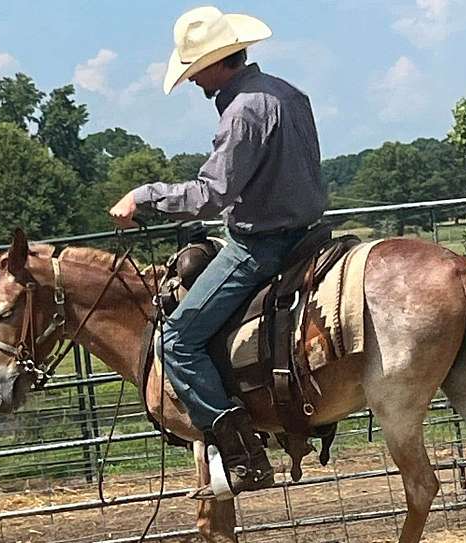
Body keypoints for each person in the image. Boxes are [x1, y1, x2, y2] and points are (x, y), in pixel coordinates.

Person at [110, 6, 327, 498]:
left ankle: (243, 456)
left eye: (194, 70)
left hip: (261, 246)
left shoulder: (242, 112)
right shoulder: (289, 94)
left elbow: (211, 194)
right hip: (311, 235)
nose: (191, 81)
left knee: (178, 341)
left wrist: (145, 195)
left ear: (216, 62)